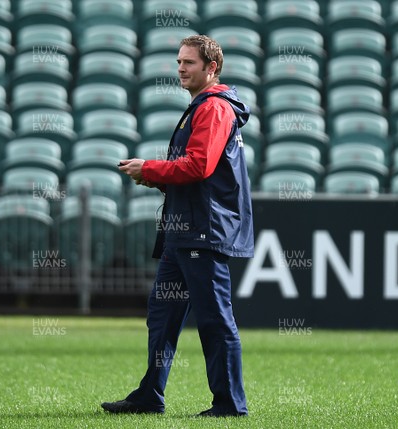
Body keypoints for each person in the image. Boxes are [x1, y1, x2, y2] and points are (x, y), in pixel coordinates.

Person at [101, 35, 254, 417]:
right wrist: (153, 176)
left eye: (189, 63)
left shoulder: (214, 108)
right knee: (162, 315)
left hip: (203, 230)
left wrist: (150, 169)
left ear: (211, 68)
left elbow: (199, 166)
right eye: (179, 62)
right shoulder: (201, 106)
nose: (181, 69)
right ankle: (150, 394)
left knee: (215, 319)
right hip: (183, 233)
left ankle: (230, 404)